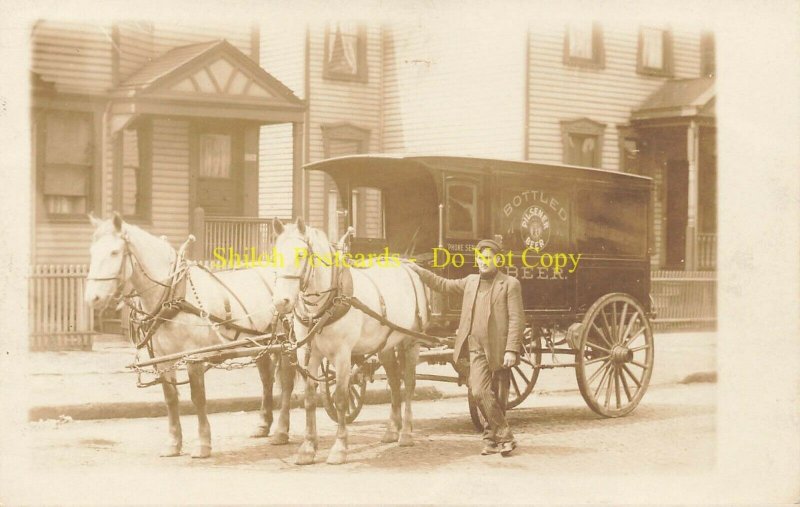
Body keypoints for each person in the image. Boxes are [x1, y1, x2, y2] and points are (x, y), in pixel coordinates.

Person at [407, 239, 525, 456]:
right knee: (479, 390)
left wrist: (511, 349)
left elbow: (517, 319)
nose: (482, 262)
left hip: (499, 348)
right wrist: (418, 271)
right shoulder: (471, 281)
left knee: (498, 397)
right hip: (475, 347)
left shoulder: (509, 284)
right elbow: (442, 284)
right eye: (480, 258)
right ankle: (505, 436)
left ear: (498, 260)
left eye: (487, 258)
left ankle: (491, 440)